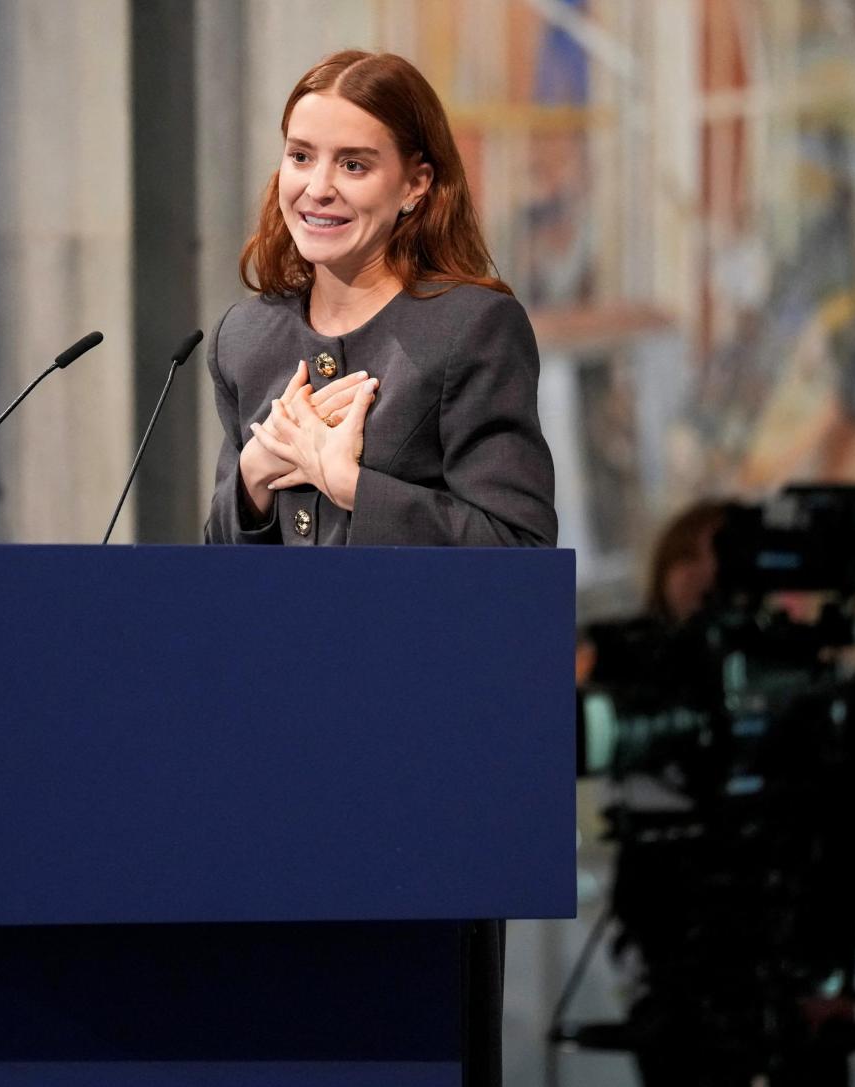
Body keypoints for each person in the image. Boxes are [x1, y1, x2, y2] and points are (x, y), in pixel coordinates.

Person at [201, 49, 558, 1084]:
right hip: (271, 766)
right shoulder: (246, 337)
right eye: (298, 156)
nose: (316, 186)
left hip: (422, 766)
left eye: (353, 164)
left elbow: (516, 560)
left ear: (415, 184)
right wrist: (255, 489)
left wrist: (361, 492)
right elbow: (218, 589)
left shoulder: (470, 328)